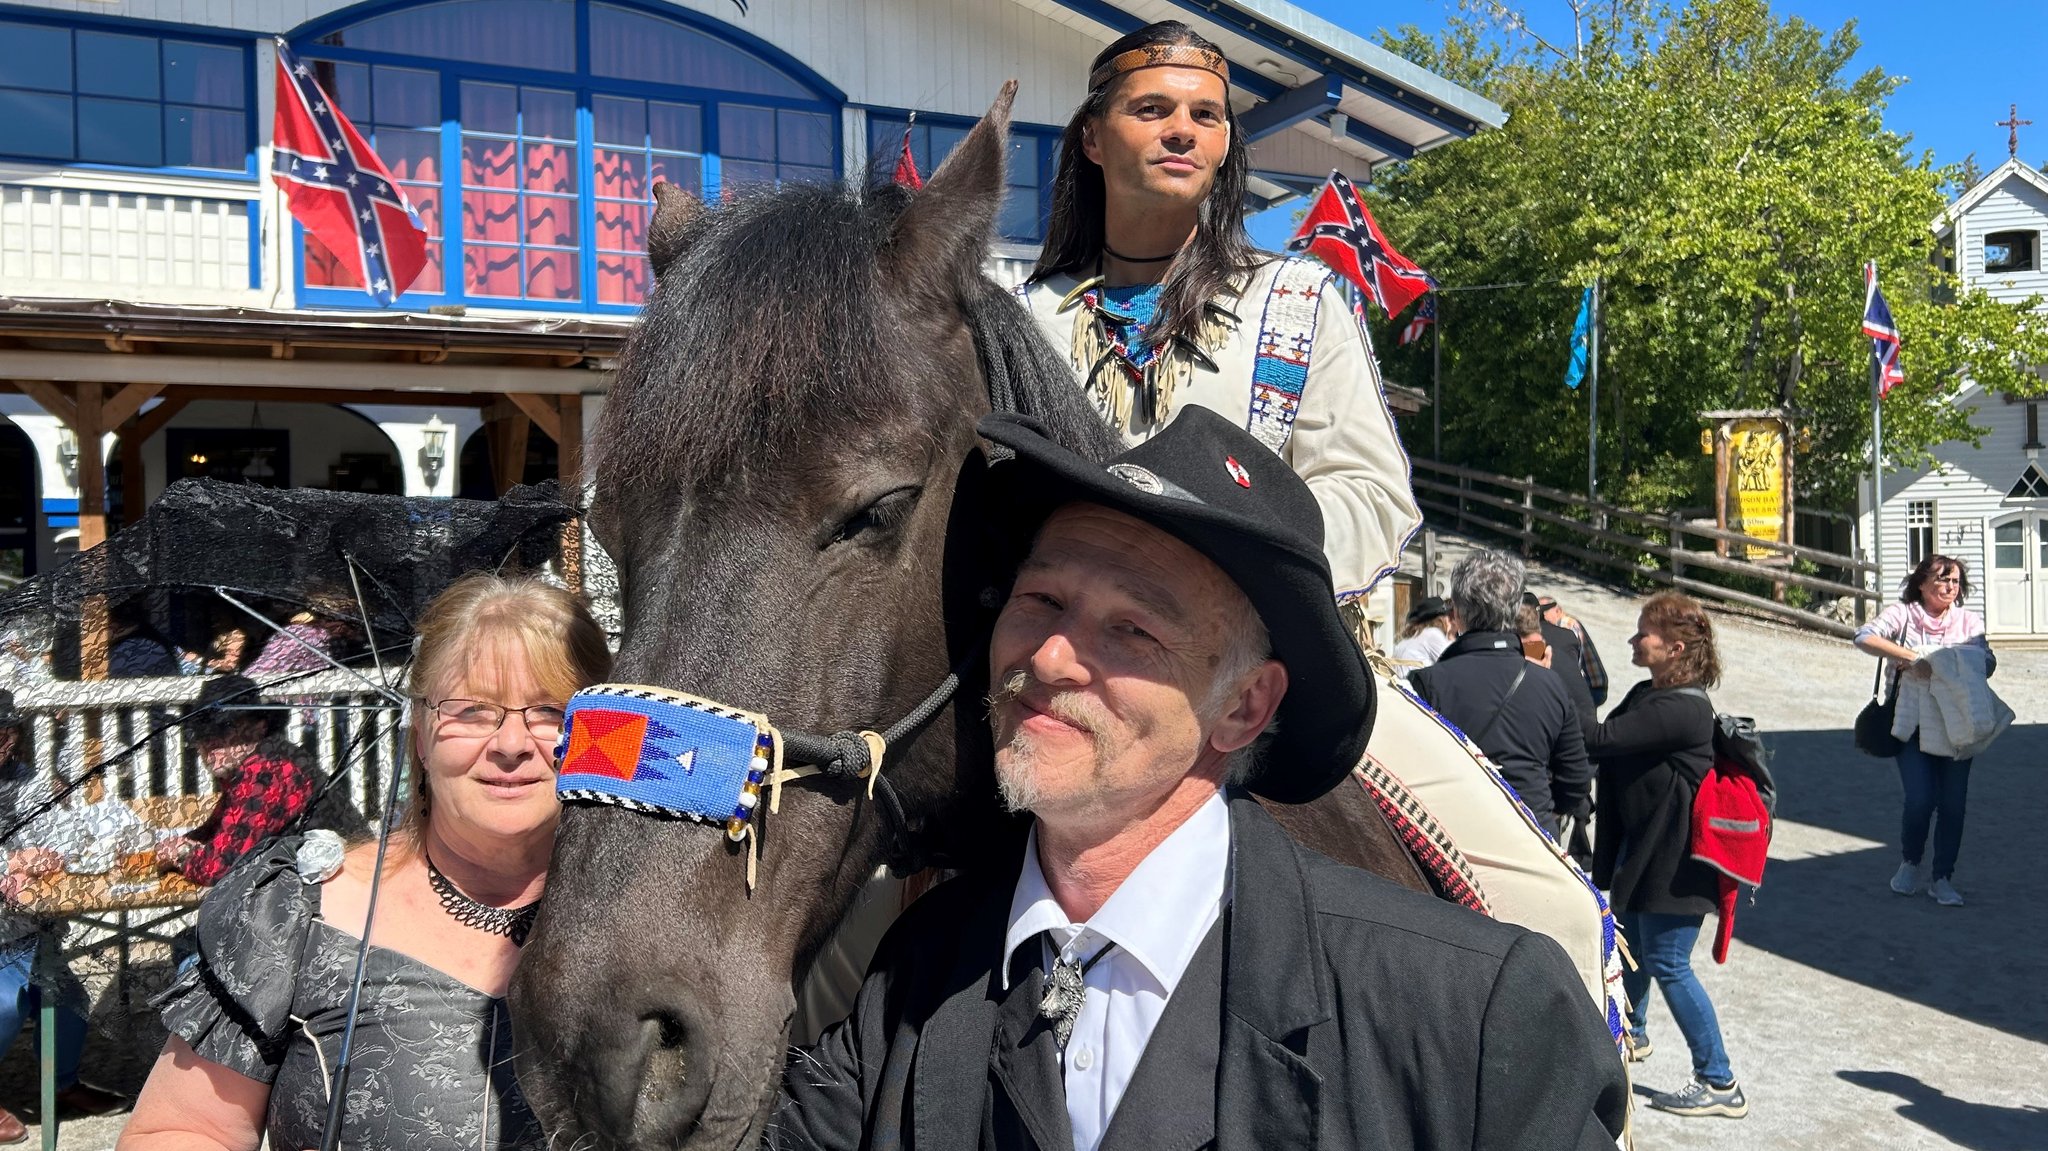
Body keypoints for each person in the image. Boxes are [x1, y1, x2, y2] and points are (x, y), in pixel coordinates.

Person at [770, 408, 1626, 1151]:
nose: (1051, 654)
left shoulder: (1473, 1017)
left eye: (1133, 629)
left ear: (1245, 707)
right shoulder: (918, 966)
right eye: (1039, 600)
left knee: (1562, 902)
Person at [120, 573, 611, 1151]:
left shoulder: (662, 921)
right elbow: (184, 1130)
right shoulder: (299, 913)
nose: (510, 742)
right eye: (472, 709)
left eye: (550, 709)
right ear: (422, 734)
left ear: (601, 732)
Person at [1017, 20, 1421, 602]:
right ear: (1093, 139)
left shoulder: (1298, 304)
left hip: (1242, 645)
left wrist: (1218, 551)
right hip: (1063, 639)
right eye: (1152, 109)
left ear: (1226, 140)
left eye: (1206, 115)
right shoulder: (1028, 318)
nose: (1182, 131)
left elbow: (1371, 495)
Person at [1584, 592, 1745, 1119]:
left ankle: (1719, 1081)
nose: (1634, 640)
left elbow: (1600, 739)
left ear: (1675, 648)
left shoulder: (1682, 709)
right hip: (1649, 854)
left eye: (1643, 633)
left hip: (1678, 864)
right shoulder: (1648, 693)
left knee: (1670, 964)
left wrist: (1558, 669)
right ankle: (1633, 1037)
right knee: (1632, 946)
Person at [0, 692, 127, 1141]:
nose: (1, 742)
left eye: (5, 732)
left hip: (30, 923)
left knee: (69, 998)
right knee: (5, 1003)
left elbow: (68, 838)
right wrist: (9, 862)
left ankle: (61, 1083)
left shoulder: (27, 779)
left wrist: (46, 855)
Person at [1410, 552, 1591, 839]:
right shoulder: (1550, 684)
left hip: (1454, 843)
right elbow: (1577, 782)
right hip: (1532, 838)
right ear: (1515, 609)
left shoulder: (1427, 683)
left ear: (1455, 614)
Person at [1852, 554, 1997, 907]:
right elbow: (1864, 637)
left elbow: (1988, 663)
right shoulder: (1903, 614)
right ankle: (1910, 862)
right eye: (1943, 579)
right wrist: (1912, 655)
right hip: (1911, 723)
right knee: (1919, 800)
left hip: (1958, 725)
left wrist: (1947, 661)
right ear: (1921, 583)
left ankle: (1942, 878)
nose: (1950, 586)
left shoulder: (1968, 622)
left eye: (1955, 581)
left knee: (1953, 805)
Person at [157, 675, 364, 886]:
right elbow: (216, 832)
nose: (210, 743)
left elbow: (221, 869)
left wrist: (181, 853)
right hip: (325, 885)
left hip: (352, 885)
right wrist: (182, 844)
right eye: (200, 734)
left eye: (223, 729)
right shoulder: (252, 766)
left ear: (259, 727)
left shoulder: (269, 771)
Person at [1539, 594, 1609, 707]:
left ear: (1557, 610)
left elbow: (1569, 664)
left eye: (1544, 612)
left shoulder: (1566, 625)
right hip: (1592, 686)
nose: (1541, 616)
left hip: (1592, 687)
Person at [1389, 594, 1453, 676]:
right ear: (1440, 619)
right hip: (1414, 687)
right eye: (1448, 617)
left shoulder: (1408, 638)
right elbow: (1452, 666)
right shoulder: (1432, 634)